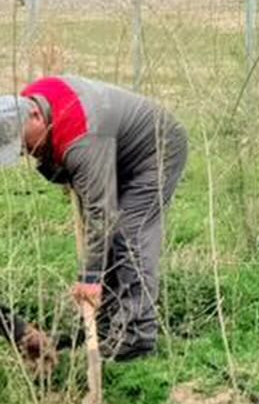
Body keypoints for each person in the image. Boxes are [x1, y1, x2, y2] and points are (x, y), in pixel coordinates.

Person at [0, 76, 188, 362]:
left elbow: (102, 213)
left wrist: (90, 280)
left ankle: (136, 338)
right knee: (106, 240)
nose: (25, 152)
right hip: (111, 152)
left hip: (156, 150)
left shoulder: (81, 136)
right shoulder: (31, 101)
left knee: (129, 234)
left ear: (36, 116)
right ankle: (108, 329)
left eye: (23, 143)